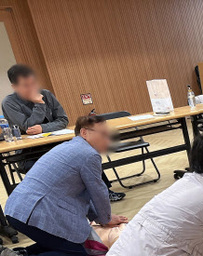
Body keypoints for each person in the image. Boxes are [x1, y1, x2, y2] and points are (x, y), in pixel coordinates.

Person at [0, 115, 126, 256]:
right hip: (32, 212)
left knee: (68, 242)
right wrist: (105, 218)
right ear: (84, 132)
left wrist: (99, 217)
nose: (106, 138)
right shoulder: (89, 154)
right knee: (76, 255)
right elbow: (98, 191)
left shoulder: (69, 147)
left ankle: (19, 253)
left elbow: (83, 193)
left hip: (17, 209)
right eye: (102, 133)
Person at [1, 64, 125, 201]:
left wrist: (43, 128)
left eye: (33, 83)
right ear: (15, 87)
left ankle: (104, 192)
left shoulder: (46, 94)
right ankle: (67, 200)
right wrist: (39, 105)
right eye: (26, 85)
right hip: (29, 153)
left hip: (55, 143)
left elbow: (63, 120)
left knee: (85, 153)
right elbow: (28, 127)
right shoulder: (9, 103)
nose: (32, 88)